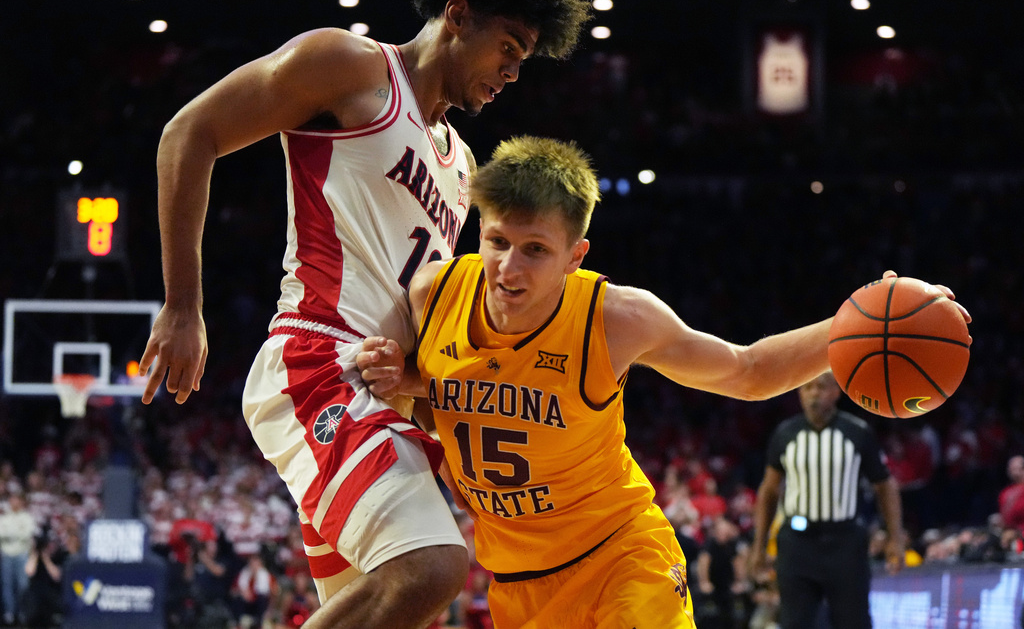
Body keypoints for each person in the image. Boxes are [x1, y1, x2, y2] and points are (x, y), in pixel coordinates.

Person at [138, 0, 589, 627]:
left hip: (382, 392)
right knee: (432, 568)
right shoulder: (351, 66)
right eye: (509, 47)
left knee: (404, 606)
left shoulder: (462, 166)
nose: (514, 72)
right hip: (319, 361)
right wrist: (181, 304)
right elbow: (188, 133)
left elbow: (422, 307)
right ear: (457, 17)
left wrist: (419, 377)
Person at [356, 135, 969, 628]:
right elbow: (444, 395)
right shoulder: (434, 295)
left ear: (576, 255)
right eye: (497, 242)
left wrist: (856, 325)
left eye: (536, 250)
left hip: (621, 554)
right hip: (517, 579)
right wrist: (398, 374)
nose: (508, 268)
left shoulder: (615, 318)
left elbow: (747, 371)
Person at [749, 372, 907, 629]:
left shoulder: (858, 432)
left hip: (845, 542)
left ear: (837, 391)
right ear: (799, 393)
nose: (813, 393)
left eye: (821, 387)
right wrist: (759, 545)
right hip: (797, 542)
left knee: (853, 621)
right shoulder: (785, 434)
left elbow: (885, 486)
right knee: (794, 621)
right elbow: (768, 491)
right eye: (807, 387)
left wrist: (895, 538)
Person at [0, 493, 37, 626]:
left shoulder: (26, 517)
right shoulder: (4, 517)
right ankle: (10, 613)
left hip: (22, 555)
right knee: (7, 585)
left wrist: (9, 534)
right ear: (9, 501)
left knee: (23, 585)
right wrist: (15, 533)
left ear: (21, 502)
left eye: (17, 500)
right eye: (12, 499)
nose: (14, 502)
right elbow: (1, 534)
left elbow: (26, 534)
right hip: (6, 555)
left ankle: (23, 613)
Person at [999, 454, 1024, 531]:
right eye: (1011, 469)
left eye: (1017, 468)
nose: (1014, 472)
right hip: (1010, 532)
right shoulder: (1005, 492)